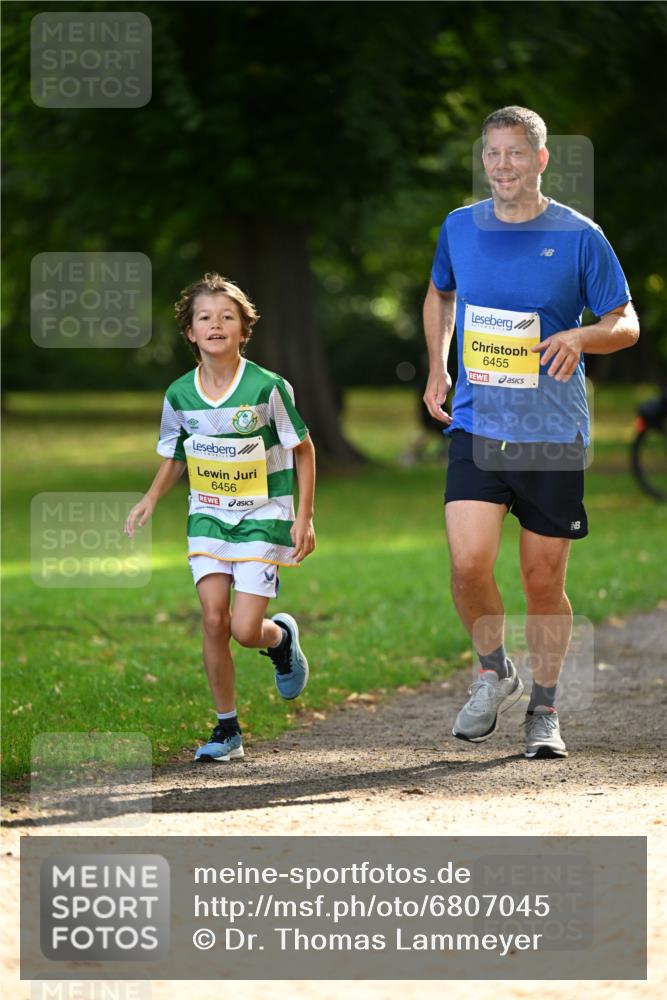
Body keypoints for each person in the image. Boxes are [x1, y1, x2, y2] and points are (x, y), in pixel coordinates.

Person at [423, 106, 639, 759]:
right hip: (477, 420)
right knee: (466, 562)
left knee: (541, 579)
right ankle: (493, 670)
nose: (501, 166)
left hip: (550, 429)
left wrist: (580, 335)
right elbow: (440, 294)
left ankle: (543, 708)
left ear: (540, 159)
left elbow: (623, 321)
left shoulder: (578, 236)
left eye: (514, 154)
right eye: (491, 155)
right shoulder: (459, 227)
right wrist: (438, 363)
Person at [125, 273, 316, 763]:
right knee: (213, 619)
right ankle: (227, 729)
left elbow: (305, 449)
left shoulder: (267, 387)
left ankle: (281, 639)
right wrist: (150, 497)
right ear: (190, 332)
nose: (215, 324)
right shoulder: (179, 395)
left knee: (244, 629)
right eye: (204, 317)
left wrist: (305, 516)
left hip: (263, 516)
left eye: (226, 317)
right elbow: (176, 453)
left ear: (242, 329)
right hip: (207, 517)